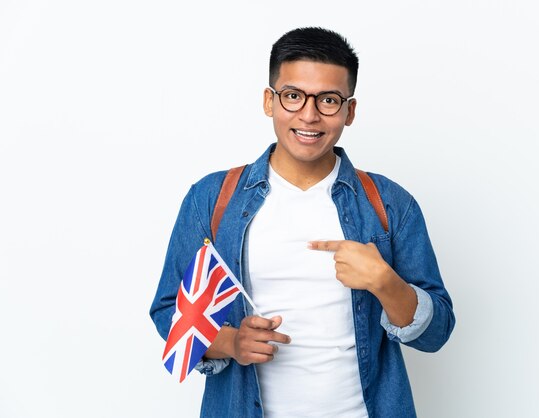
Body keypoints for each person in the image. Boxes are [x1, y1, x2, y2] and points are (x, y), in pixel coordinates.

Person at [150, 27, 455, 418]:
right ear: (269, 100)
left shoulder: (390, 205)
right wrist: (232, 343)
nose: (309, 115)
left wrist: (385, 282)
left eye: (328, 100)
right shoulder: (212, 198)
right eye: (293, 96)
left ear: (350, 110)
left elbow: (437, 334)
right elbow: (169, 311)